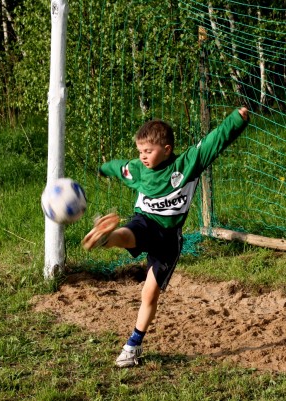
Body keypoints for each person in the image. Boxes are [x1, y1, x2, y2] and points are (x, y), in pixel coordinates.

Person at [82, 107, 250, 367]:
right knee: (131, 233)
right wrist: (103, 169)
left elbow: (215, 140)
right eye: (140, 151)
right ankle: (108, 237)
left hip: (169, 237)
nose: (142, 156)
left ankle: (133, 345)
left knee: (149, 295)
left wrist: (237, 119)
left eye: (148, 151)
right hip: (144, 221)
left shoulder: (187, 164)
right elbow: (119, 168)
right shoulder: (138, 169)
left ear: (167, 149)